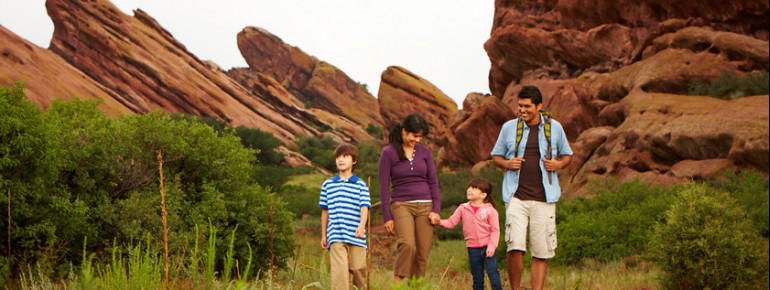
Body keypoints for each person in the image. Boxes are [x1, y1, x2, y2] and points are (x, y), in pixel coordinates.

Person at [490, 86, 573, 290]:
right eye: (520, 105)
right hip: (515, 195)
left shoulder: (555, 128)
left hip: (545, 197)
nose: (522, 110)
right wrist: (507, 164)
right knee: (514, 245)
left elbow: (567, 155)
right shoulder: (509, 127)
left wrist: (559, 164)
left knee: (541, 250)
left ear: (539, 106)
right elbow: (496, 155)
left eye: (527, 106)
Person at [378, 113, 441, 283]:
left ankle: (416, 287)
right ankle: (398, 285)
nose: (418, 140)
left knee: (422, 253)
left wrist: (436, 210)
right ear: (404, 131)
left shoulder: (425, 152)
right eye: (415, 136)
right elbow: (384, 186)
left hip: (426, 205)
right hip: (401, 204)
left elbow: (433, 182)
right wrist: (387, 217)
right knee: (407, 244)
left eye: (420, 136)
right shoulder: (388, 152)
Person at [319, 143, 372, 290]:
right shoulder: (328, 185)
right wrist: (324, 235)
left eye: (345, 156)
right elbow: (325, 211)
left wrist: (361, 227)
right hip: (335, 234)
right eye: (338, 157)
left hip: (356, 235)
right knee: (339, 273)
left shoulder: (361, 185)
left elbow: (364, 208)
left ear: (354, 161)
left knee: (358, 269)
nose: (340, 160)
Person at [435, 178, 503, 290]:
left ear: (483, 195)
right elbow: (451, 223)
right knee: (477, 278)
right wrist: (439, 222)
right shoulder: (463, 208)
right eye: (469, 187)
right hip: (473, 249)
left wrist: (492, 247)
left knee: (493, 273)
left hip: (488, 248)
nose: (469, 190)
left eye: (474, 188)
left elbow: (495, 230)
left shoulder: (490, 211)